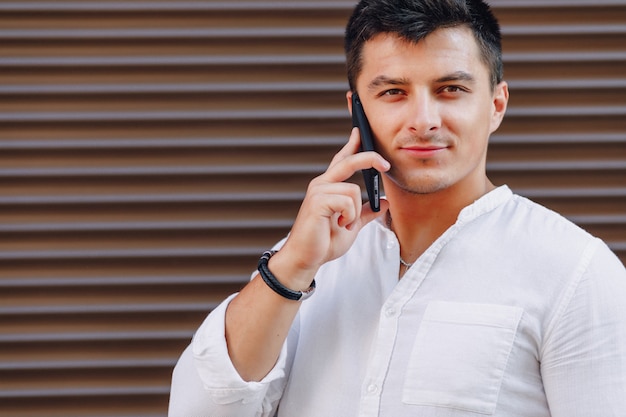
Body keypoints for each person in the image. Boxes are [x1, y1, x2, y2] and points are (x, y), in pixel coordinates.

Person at [168, 0, 626, 415]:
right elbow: (199, 410)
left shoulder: (576, 273)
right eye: (393, 92)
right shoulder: (306, 261)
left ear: (496, 105)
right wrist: (291, 269)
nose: (423, 121)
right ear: (357, 111)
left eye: (450, 89)